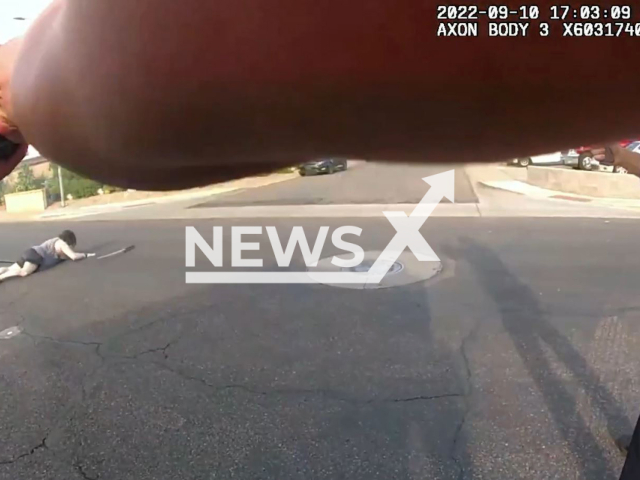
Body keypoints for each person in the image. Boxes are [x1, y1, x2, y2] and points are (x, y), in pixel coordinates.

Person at [0, 230, 94, 282]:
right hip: (36, 256)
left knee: (9, 268)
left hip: (31, 251)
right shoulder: (62, 244)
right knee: (23, 272)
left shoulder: (55, 240)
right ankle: (2, 277)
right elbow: (73, 256)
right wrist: (85, 255)